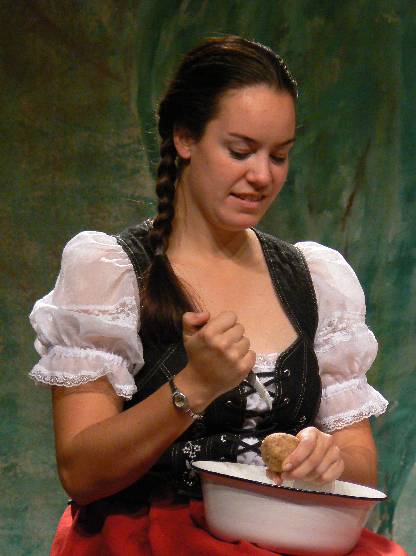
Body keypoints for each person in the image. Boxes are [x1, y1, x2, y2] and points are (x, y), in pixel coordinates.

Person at [29, 36, 405, 555]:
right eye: (240, 151)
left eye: (279, 156)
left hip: (287, 538)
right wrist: (194, 385)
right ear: (185, 136)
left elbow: (359, 464)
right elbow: (81, 472)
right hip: (152, 540)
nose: (262, 175)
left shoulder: (314, 279)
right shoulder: (111, 272)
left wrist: (326, 460)